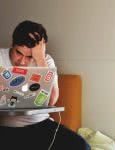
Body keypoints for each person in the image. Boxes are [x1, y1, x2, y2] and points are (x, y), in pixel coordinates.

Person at [0, 20, 91, 150]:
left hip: (39, 124)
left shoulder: (46, 60)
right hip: (4, 128)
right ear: (12, 44)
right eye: (18, 53)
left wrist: (40, 59)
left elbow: (52, 99)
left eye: (29, 56)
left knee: (82, 147)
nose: (23, 62)